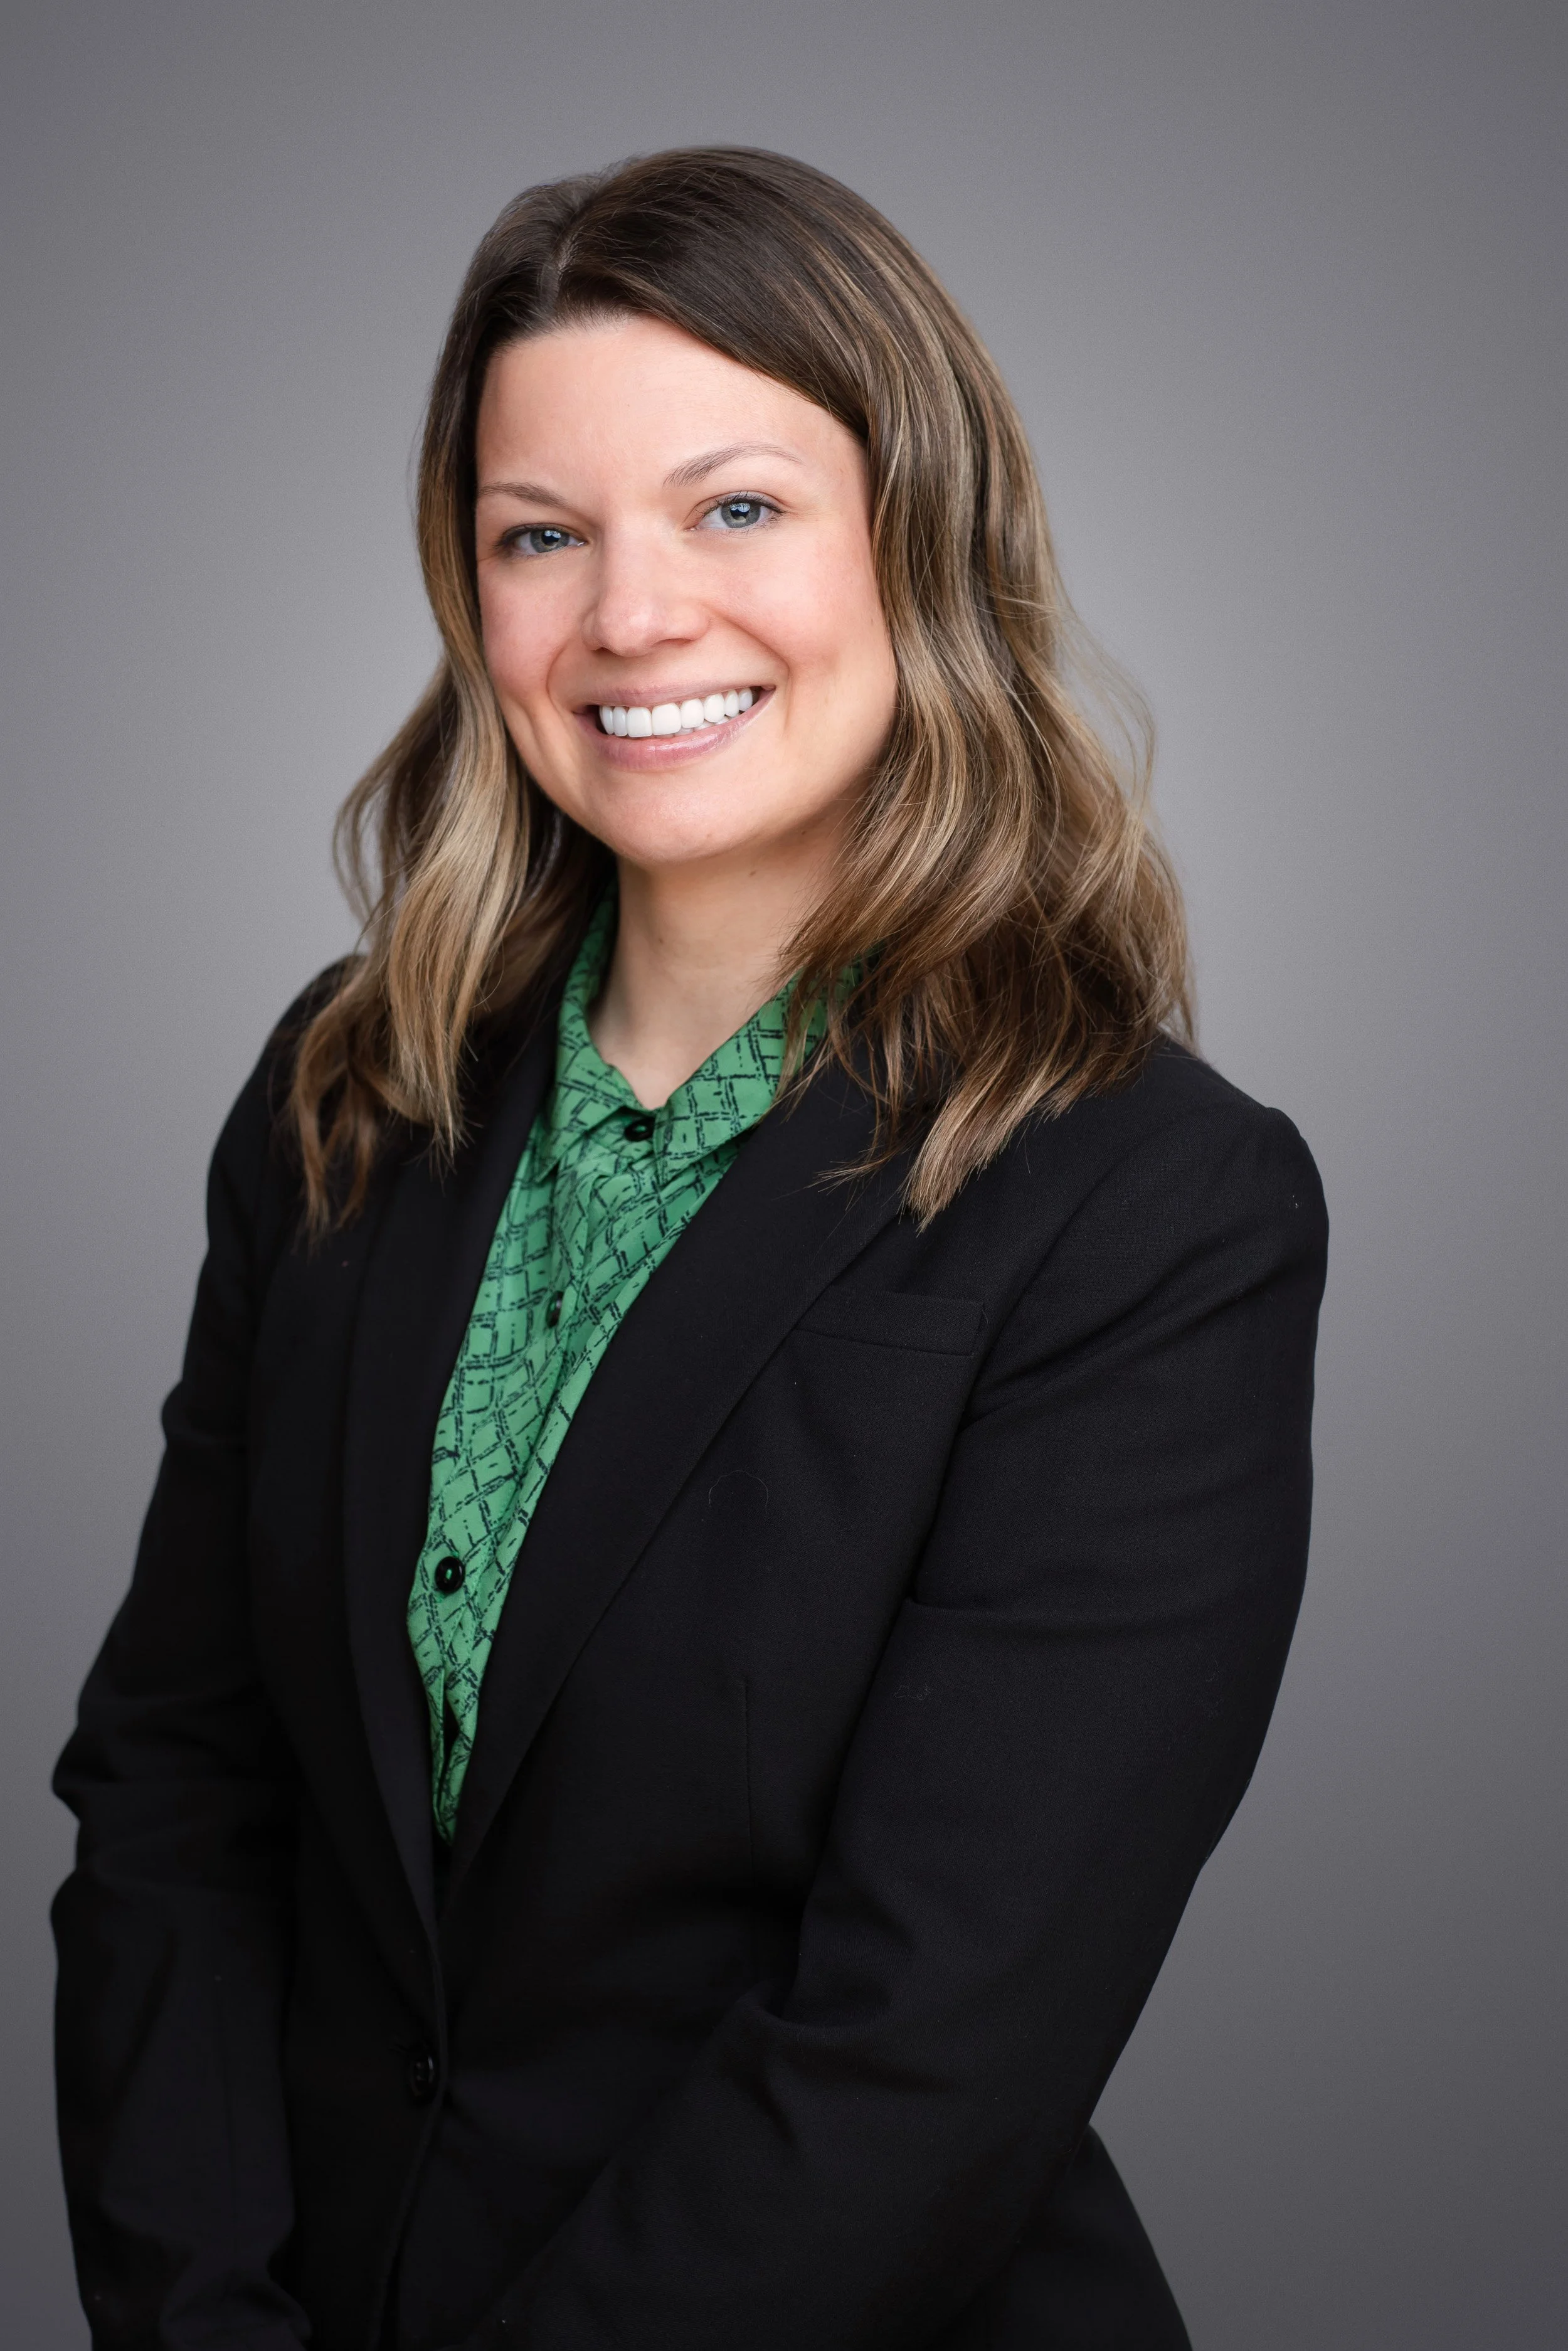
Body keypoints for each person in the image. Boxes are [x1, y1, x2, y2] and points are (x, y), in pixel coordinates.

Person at [52, 147, 1327, 2351]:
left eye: (734, 508)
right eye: (543, 535)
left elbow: (927, 2042)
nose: (629, 616)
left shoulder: (1142, 1207)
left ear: (912, 543)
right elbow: (177, 1793)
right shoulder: (348, 1089)